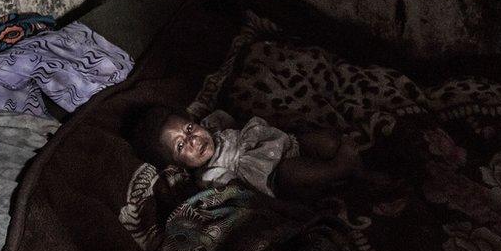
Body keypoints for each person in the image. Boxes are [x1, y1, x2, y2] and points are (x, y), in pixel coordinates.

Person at [129, 105, 367, 200]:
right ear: (177, 164)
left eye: (189, 129)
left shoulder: (214, 125)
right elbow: (239, 194)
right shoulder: (209, 176)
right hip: (276, 177)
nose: (192, 140)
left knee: (325, 141)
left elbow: (241, 123)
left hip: (285, 144)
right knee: (292, 172)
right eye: (181, 146)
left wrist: (279, 122)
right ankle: (339, 169)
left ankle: (358, 174)